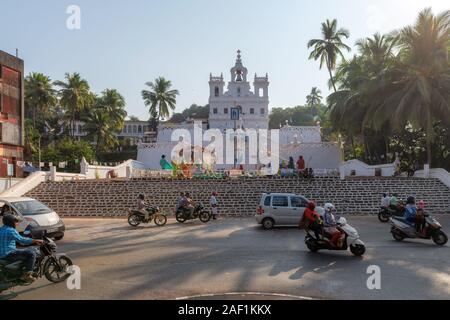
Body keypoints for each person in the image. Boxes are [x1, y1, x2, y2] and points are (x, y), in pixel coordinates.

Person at [0, 214, 43, 282]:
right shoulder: (11, 230)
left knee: (27, 250)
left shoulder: (1, 229)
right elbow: (22, 240)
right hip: (8, 254)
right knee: (31, 253)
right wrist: (35, 240)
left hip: (2, 254)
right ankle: (27, 275)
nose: (17, 224)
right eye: (16, 222)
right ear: (11, 222)